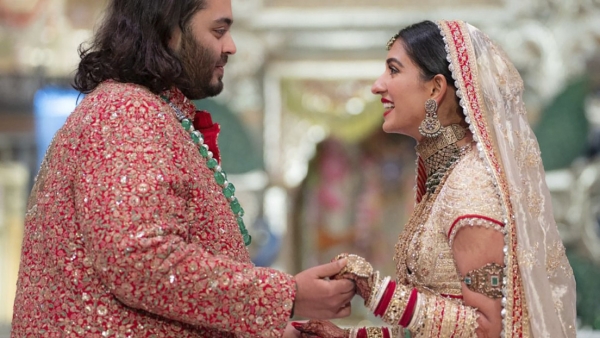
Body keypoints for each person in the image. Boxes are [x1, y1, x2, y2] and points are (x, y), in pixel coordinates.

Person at [10, 0, 356, 337]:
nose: (231, 46)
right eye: (218, 31)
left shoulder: (150, 112)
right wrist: (287, 295)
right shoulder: (128, 114)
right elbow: (139, 260)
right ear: (167, 30)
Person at [294, 20, 577, 338]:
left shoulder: (472, 189)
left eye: (394, 70)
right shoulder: (446, 181)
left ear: (435, 88)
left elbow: (489, 328)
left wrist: (377, 292)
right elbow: (434, 323)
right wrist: (349, 336)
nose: (377, 85)